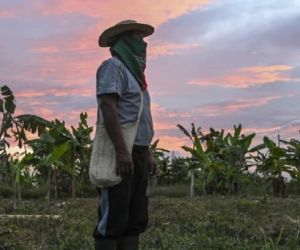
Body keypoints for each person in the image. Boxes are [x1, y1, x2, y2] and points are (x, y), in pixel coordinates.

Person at [93, 20, 156, 250]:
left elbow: (139, 118)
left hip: (137, 151)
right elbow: (108, 108)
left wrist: (146, 152)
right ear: (125, 41)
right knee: (113, 219)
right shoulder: (114, 67)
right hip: (119, 151)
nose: (143, 44)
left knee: (135, 218)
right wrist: (121, 151)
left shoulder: (139, 80)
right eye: (138, 38)